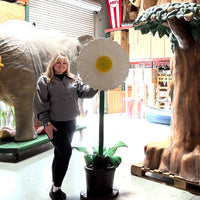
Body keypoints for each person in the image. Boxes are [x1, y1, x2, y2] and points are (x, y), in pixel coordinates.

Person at [34, 52, 98, 200]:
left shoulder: (73, 79)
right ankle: (56, 189)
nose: (62, 66)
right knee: (66, 151)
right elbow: (40, 103)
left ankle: (55, 187)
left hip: (70, 123)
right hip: (54, 125)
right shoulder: (45, 80)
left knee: (59, 153)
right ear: (52, 64)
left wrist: (97, 84)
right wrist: (46, 123)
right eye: (59, 63)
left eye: (65, 63)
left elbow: (85, 93)